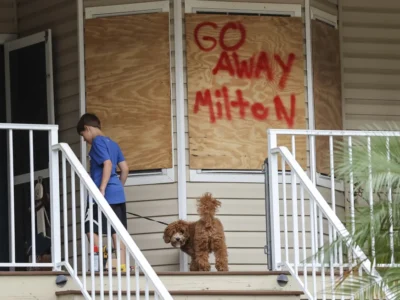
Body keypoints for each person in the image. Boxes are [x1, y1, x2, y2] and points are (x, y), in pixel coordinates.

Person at [76, 113, 129, 272]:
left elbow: (107, 163)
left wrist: (102, 189)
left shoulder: (97, 142)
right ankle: (121, 265)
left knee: (90, 228)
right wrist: (117, 188)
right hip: (117, 194)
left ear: (87, 128)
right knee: (116, 231)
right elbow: (125, 169)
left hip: (101, 195)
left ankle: (101, 256)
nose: (85, 140)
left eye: (83, 136)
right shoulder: (113, 144)